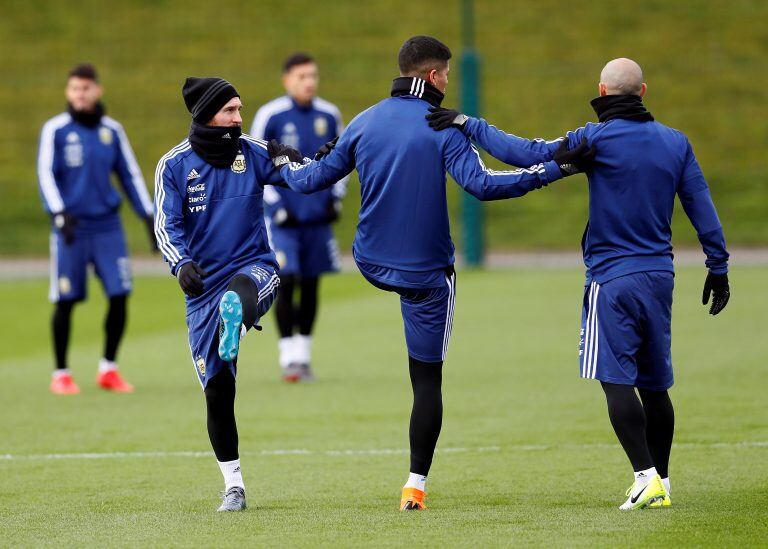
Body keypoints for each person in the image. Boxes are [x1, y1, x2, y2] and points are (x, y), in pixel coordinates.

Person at [265, 36, 594, 510]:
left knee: (357, 276)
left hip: (370, 262)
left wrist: (279, 159)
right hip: (425, 275)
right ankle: (415, 485)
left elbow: (310, 179)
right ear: (435, 76)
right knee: (427, 382)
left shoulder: (364, 120)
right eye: (447, 73)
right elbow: (483, 185)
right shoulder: (445, 126)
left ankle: (295, 352)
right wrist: (556, 168)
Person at [426, 58, 730, 510]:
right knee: (655, 385)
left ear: (602, 91)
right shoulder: (675, 142)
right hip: (660, 276)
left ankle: (645, 477)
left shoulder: (594, 138)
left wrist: (468, 123)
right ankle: (662, 481)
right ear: (642, 92)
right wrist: (718, 265)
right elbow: (700, 203)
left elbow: (525, 153)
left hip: (611, 277)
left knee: (614, 379)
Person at [154, 77, 285, 512]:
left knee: (250, 286)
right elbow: (166, 225)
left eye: (240, 110)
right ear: (207, 113)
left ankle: (239, 311)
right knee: (216, 390)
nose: (239, 118)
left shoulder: (253, 150)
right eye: (231, 111)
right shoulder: (173, 165)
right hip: (203, 288)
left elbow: (305, 178)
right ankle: (234, 486)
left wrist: (325, 157)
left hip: (254, 266)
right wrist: (182, 263)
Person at [37, 63, 156, 395]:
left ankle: (108, 368)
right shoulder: (56, 130)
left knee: (120, 294)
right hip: (71, 228)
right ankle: (61, 373)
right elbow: (45, 174)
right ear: (68, 92)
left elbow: (129, 175)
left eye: (86, 88)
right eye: (75, 88)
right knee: (66, 299)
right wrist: (59, 213)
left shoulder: (112, 131)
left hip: (108, 227)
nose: (81, 94)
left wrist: (148, 217)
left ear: (97, 91)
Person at [250, 52, 347, 382]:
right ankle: (287, 355)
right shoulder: (270, 115)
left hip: (316, 216)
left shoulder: (329, 114)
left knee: (311, 282)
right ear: (287, 80)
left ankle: (304, 355)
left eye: (313, 76)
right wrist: (276, 204)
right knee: (285, 278)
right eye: (302, 77)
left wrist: (336, 196)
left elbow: (343, 158)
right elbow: (255, 163)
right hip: (283, 220)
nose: (309, 82)